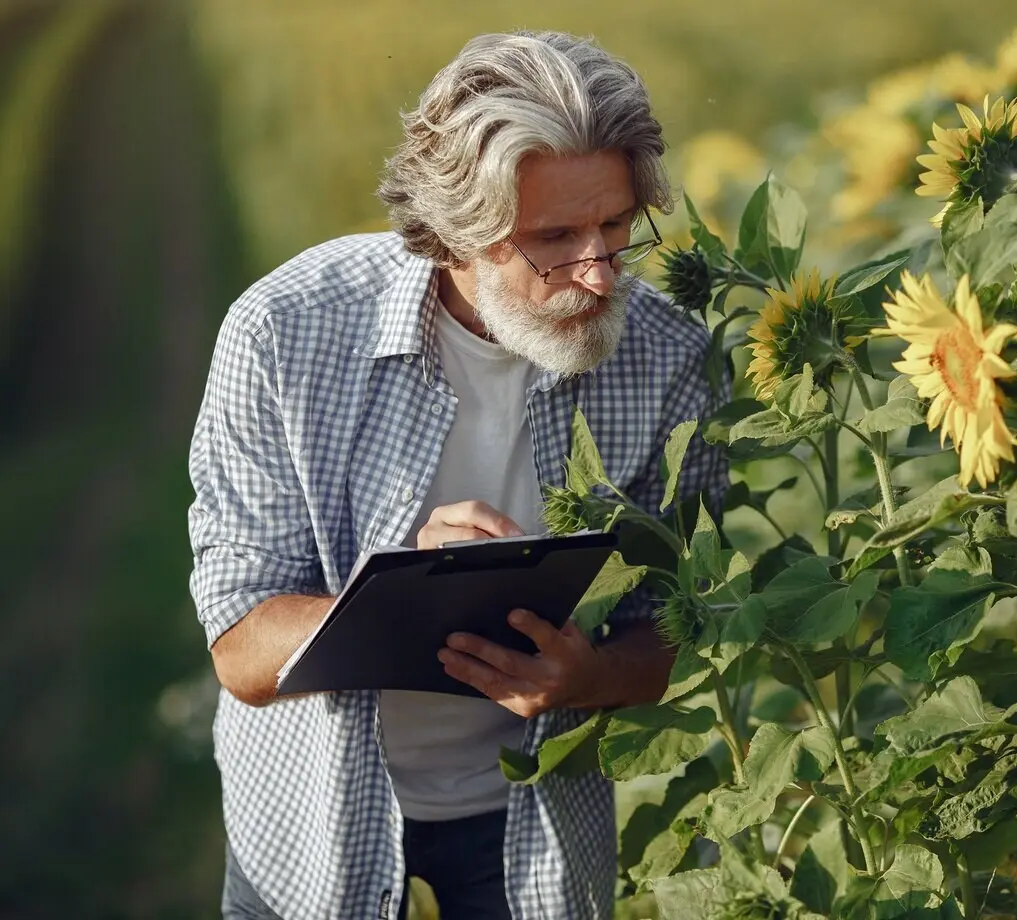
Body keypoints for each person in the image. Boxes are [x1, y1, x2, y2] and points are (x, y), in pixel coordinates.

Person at [187, 30, 727, 920]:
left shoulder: (671, 357)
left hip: (531, 816)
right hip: (318, 812)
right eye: (553, 239)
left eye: (616, 227)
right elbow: (242, 651)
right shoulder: (283, 332)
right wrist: (402, 589)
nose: (598, 276)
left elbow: (678, 628)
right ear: (453, 233)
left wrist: (589, 676)